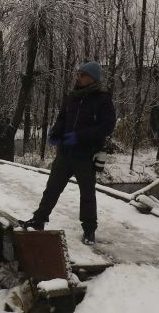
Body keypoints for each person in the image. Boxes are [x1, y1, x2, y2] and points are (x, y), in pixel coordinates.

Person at [21, 61, 116, 245]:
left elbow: (107, 127)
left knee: (87, 194)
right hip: (65, 152)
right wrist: (56, 133)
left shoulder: (102, 99)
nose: (78, 77)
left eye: (82, 75)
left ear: (92, 78)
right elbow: (62, 118)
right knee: (52, 189)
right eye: (78, 74)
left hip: (86, 154)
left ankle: (89, 231)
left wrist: (79, 136)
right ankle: (39, 220)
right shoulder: (72, 97)